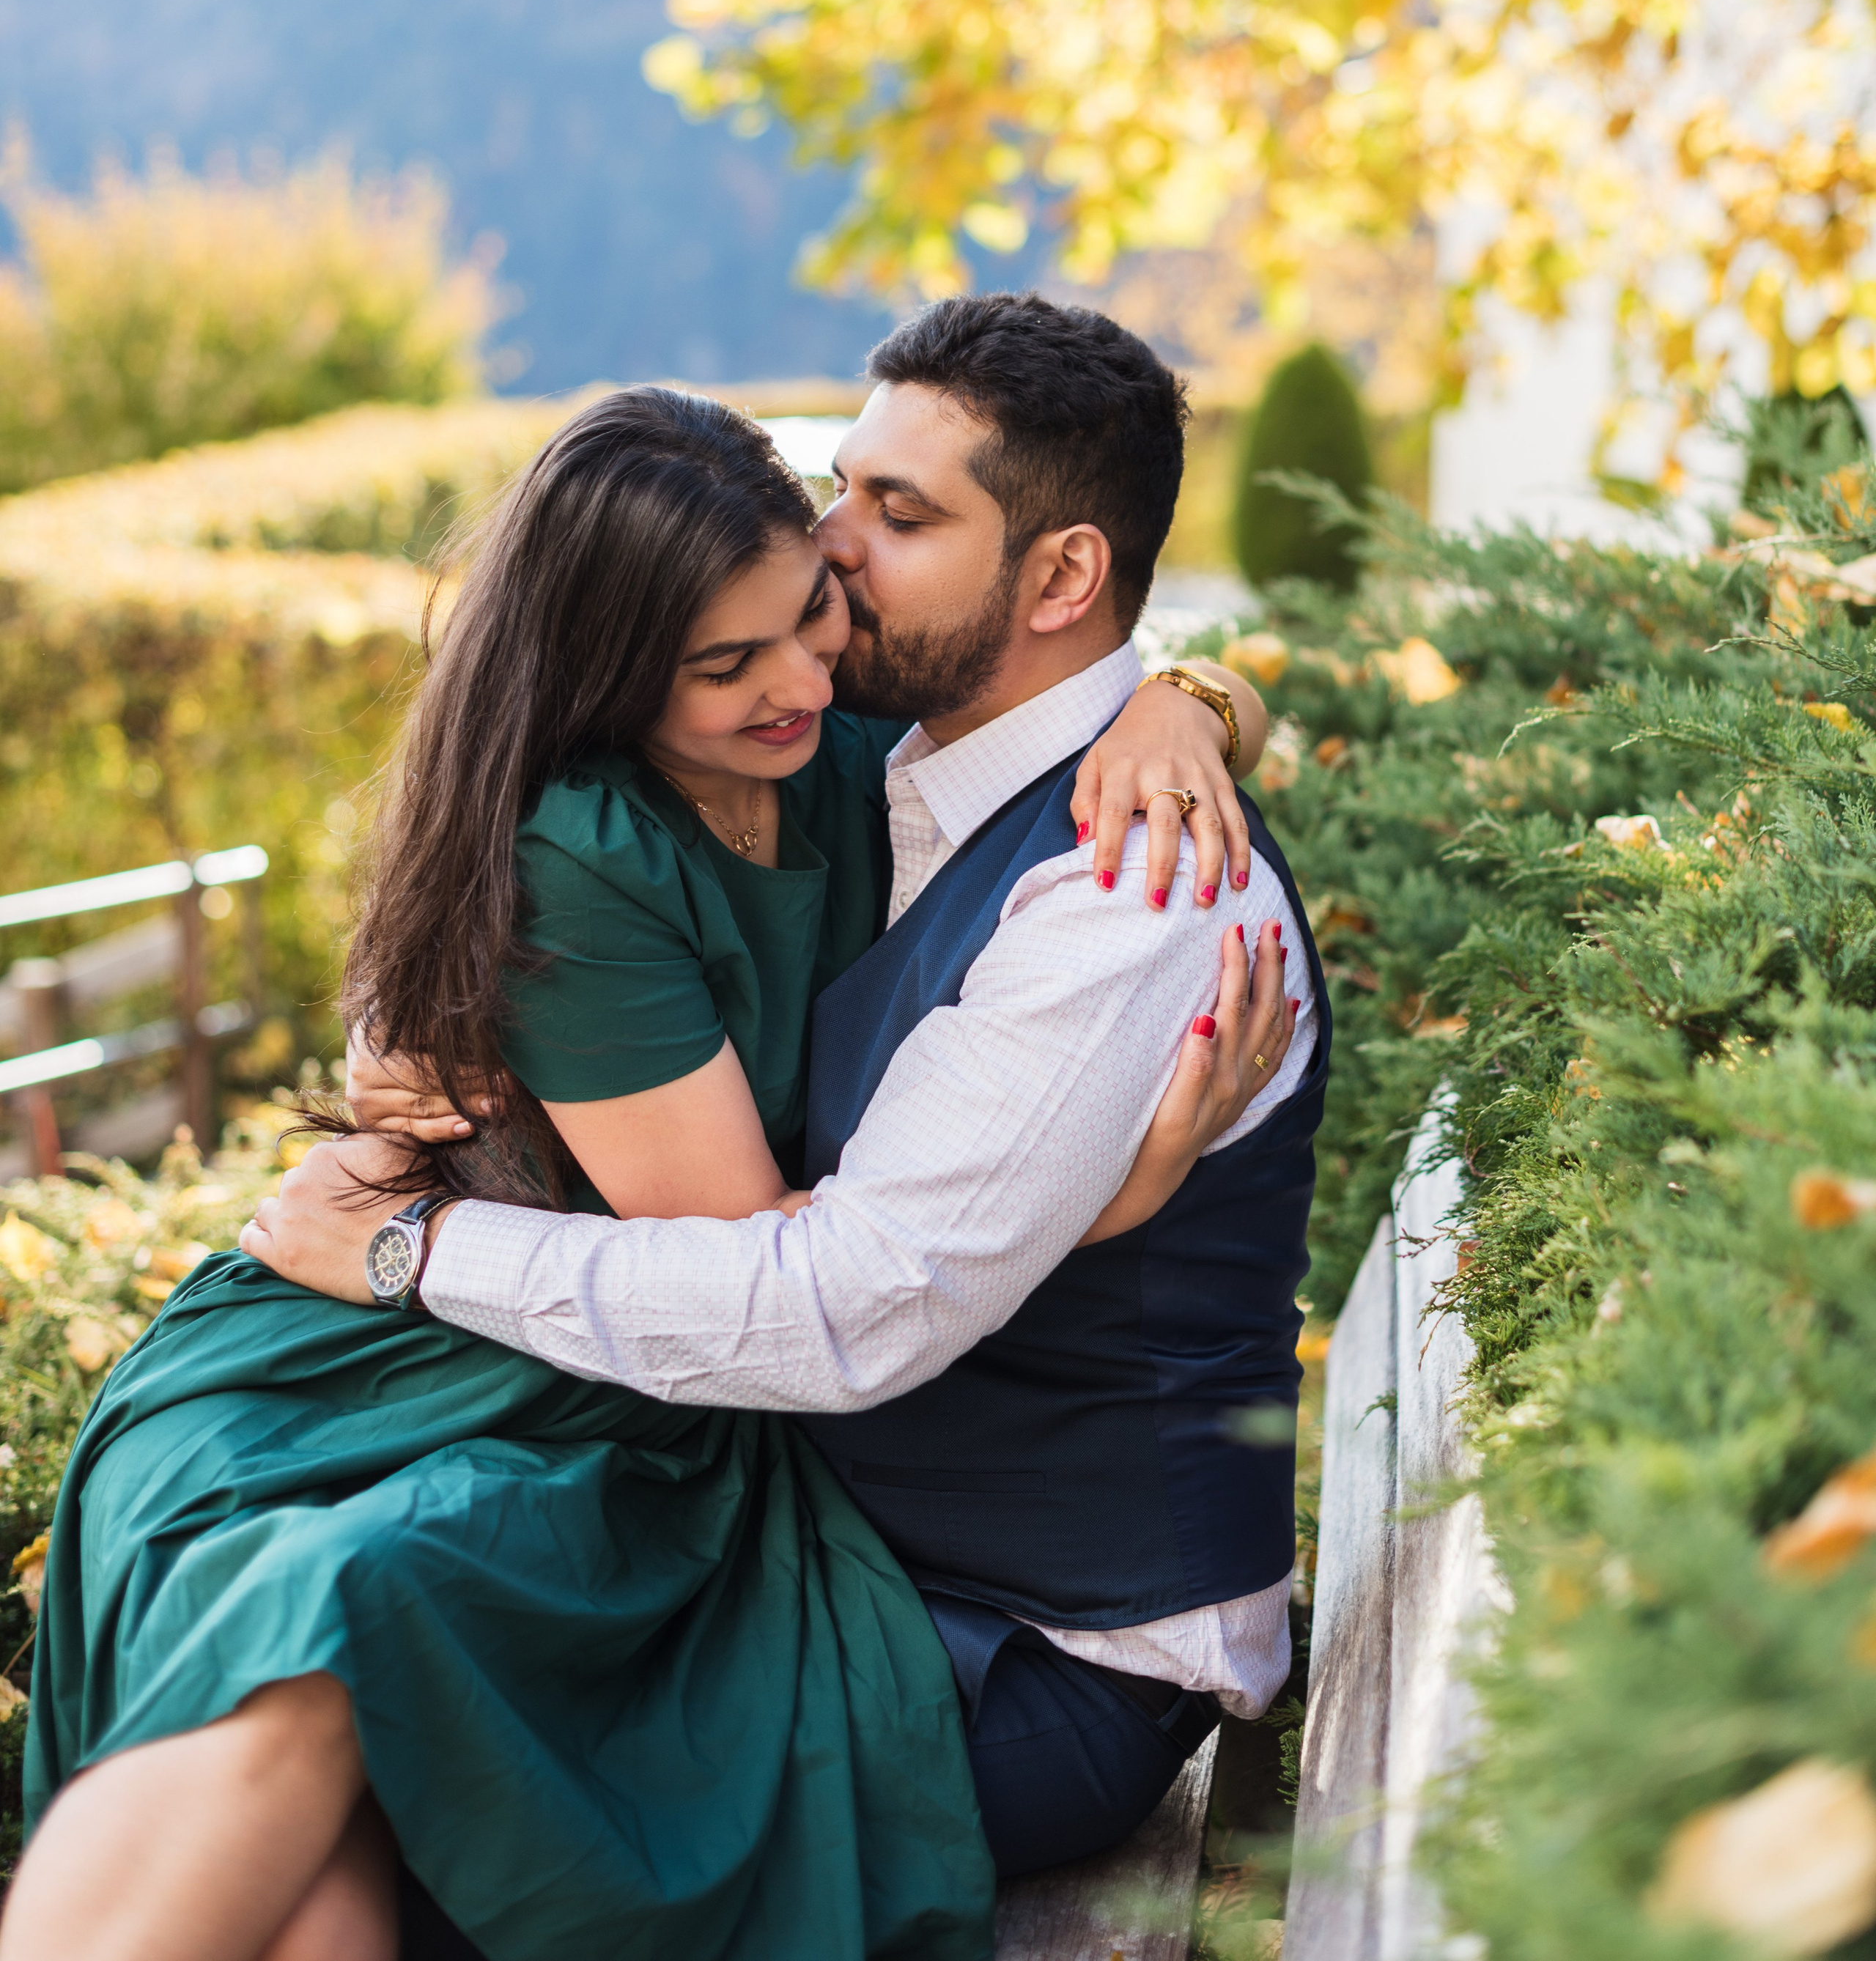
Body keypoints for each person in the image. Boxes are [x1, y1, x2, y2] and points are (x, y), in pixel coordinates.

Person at [4, 366, 1279, 1961]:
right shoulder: (587, 849)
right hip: (396, 1384)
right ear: (611, 675)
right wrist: (1098, 1202)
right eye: (721, 664)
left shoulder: (837, 755)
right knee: (334, 1641)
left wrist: (1191, 700)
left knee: (359, 1719)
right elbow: (784, 1270)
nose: (797, 672)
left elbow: (1058, 691)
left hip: (610, 1391)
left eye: (816, 601)